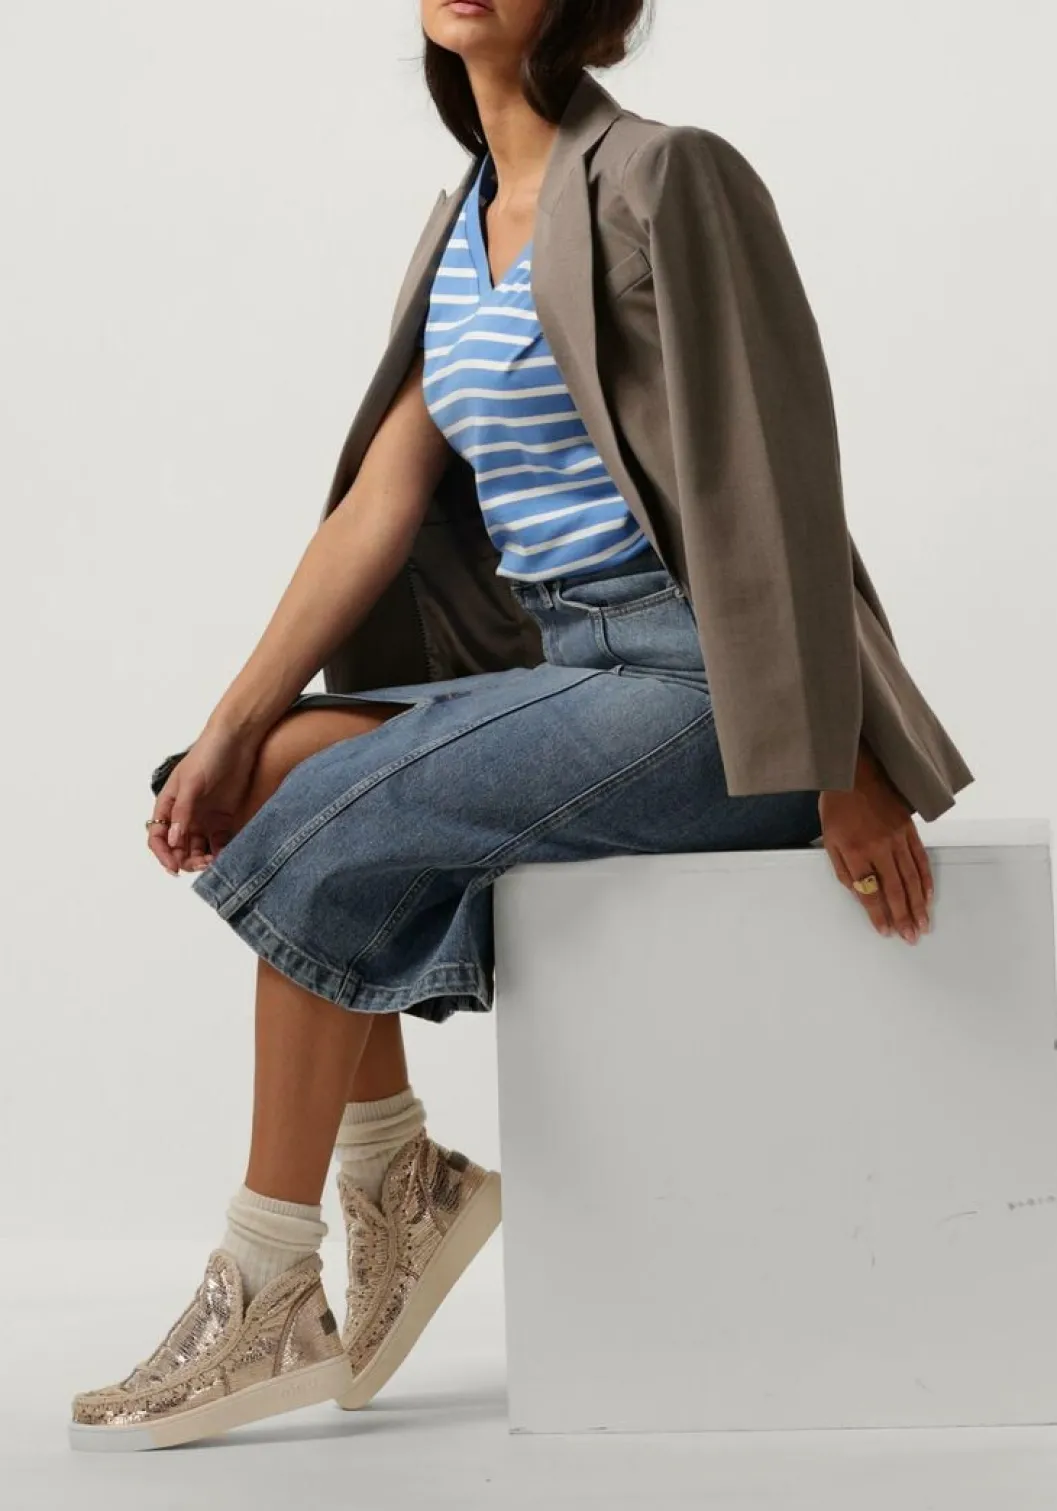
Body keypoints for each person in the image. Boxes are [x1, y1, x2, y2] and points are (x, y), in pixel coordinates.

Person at [70, 0, 972, 1451]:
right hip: (574, 662)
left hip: (712, 689)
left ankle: (267, 1284)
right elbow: (383, 498)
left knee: (326, 821)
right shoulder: (465, 225)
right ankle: (402, 1176)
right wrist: (236, 721)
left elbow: (777, 463)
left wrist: (836, 757)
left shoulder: (669, 176)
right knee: (263, 778)